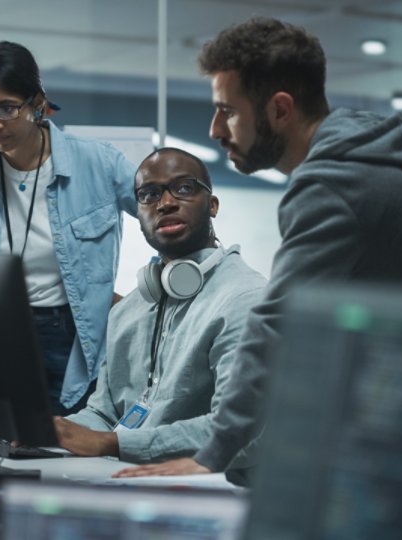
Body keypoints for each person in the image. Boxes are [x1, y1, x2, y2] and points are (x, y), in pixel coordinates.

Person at [115, 17, 402, 478]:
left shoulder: (335, 181)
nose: (216, 129)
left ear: (280, 109)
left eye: (229, 111)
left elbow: (279, 329)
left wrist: (213, 456)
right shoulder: (367, 150)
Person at [0, 41, 138, 415]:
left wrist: (145, 301)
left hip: (72, 337)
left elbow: (168, 220)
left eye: (7, 108)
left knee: (69, 449)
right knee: (0, 445)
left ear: (38, 103)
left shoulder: (100, 163)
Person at [53, 148, 266, 480]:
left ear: (212, 204)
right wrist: (51, 432)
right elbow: (104, 413)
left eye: (183, 188)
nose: (165, 202)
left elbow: (243, 430)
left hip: (206, 491)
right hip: (124, 478)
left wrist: (112, 443)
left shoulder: (246, 299)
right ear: (138, 214)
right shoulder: (127, 310)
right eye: (149, 194)